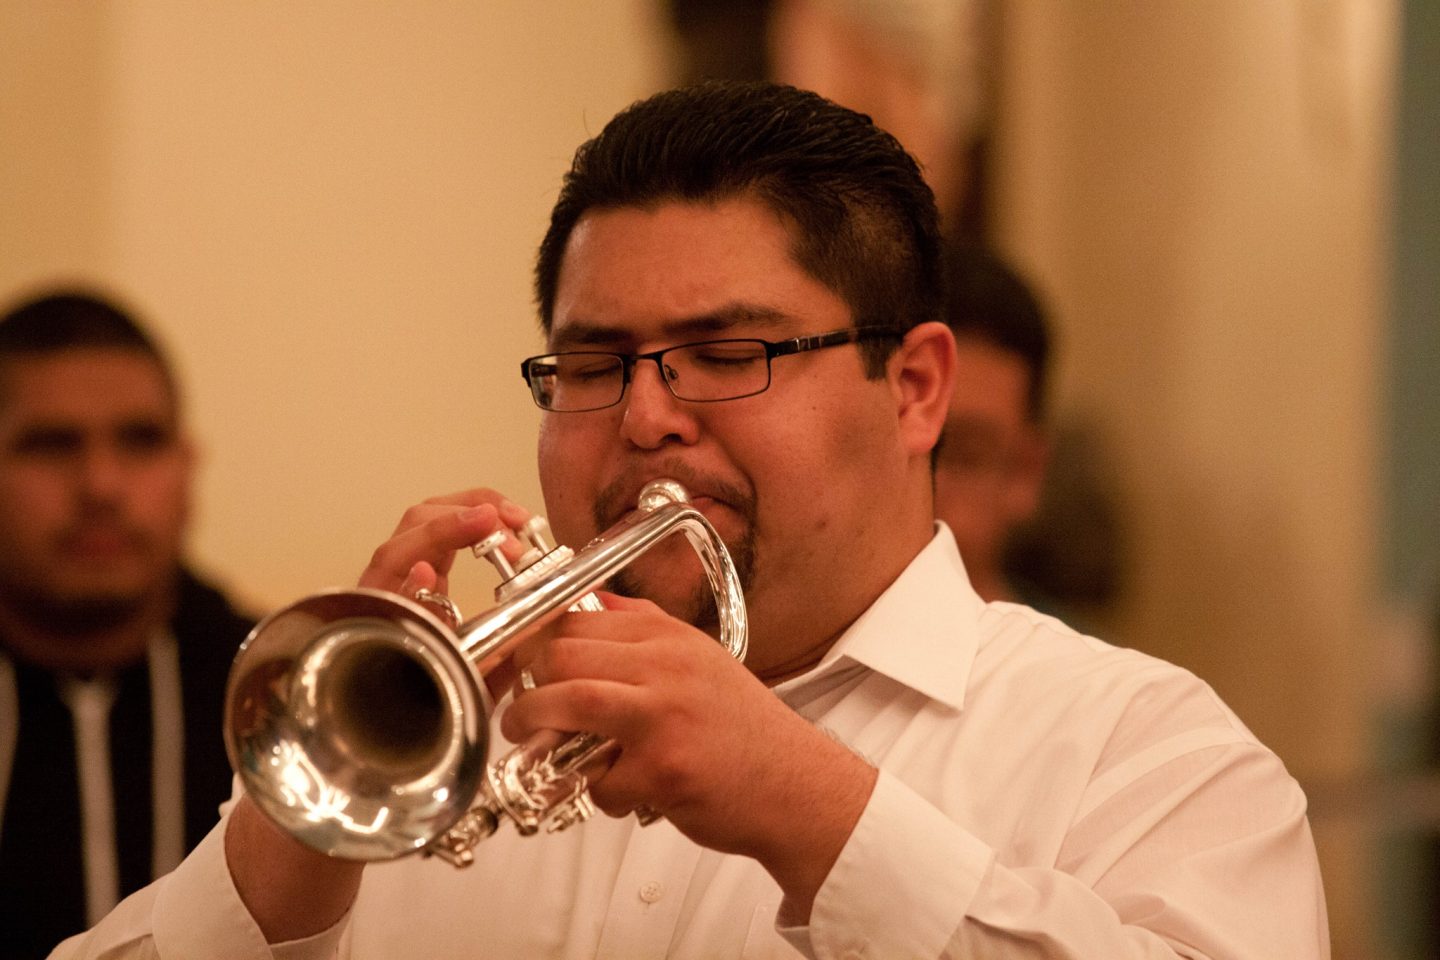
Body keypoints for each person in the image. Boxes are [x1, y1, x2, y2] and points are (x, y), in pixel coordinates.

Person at [54, 82, 1329, 959]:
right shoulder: (443, 753)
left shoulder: (1144, 753)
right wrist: (297, 839)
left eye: (727, 354)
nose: (646, 416)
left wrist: (807, 807)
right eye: (593, 364)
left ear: (916, 389)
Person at [0, 290, 255, 959]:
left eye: (141, 441)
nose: (102, 486)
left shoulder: (278, 692)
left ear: (187, 467)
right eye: (52, 445)